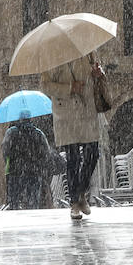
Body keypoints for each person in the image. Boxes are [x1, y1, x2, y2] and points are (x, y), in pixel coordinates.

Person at [43, 54, 103, 219]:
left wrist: (98, 74)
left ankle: (81, 192)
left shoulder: (86, 48)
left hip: (87, 110)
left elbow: (97, 70)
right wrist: (70, 87)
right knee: (73, 158)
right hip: (66, 114)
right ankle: (74, 202)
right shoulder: (52, 56)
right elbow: (46, 85)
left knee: (93, 153)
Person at [2, 111, 51, 210]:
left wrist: (11, 160)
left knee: (13, 200)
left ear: (19, 119)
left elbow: (5, 150)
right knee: (33, 200)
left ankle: (15, 213)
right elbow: (46, 152)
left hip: (15, 171)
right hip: (34, 172)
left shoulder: (11, 132)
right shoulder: (38, 133)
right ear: (30, 119)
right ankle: (31, 217)